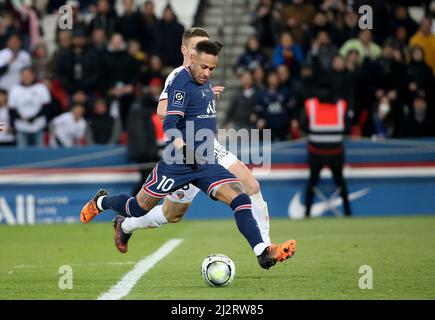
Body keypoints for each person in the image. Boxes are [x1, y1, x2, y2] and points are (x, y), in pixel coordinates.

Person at [80, 40, 296, 270]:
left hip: (204, 160)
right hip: (177, 162)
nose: (207, 72)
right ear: (191, 58)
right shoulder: (180, 82)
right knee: (137, 207)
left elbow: (195, 108)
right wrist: (183, 147)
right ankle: (101, 202)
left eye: (212, 69)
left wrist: (208, 97)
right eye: (203, 67)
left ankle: (262, 251)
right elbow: (169, 121)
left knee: (240, 197)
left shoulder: (203, 81)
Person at [138, 28, 273, 247]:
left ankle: (266, 246)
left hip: (208, 146)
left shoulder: (203, 73)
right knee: (171, 214)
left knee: (250, 184)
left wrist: (206, 97)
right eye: (195, 48)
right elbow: (162, 111)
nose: (200, 53)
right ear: (185, 50)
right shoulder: (177, 75)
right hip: (186, 152)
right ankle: (126, 225)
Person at [301, 79, 352, 217]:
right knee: (340, 181)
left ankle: (307, 213)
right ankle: (348, 212)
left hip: (315, 151)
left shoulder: (310, 105)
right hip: (336, 151)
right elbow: (347, 127)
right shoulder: (341, 105)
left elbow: (303, 125)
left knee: (312, 181)